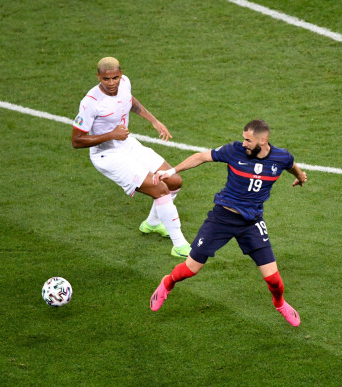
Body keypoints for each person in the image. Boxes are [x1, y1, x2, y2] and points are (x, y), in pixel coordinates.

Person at [149, 119, 307, 326]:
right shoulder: (234, 151)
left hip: (251, 222)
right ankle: (167, 283)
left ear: (264, 140)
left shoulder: (281, 157)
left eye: (248, 140)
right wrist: (171, 172)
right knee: (190, 269)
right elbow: (201, 157)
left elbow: (290, 165)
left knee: (274, 280)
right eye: (243, 139)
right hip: (222, 218)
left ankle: (279, 304)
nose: (244, 144)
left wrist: (300, 176)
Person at [71, 57, 191, 257]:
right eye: (106, 79)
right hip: (107, 155)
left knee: (174, 181)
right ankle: (180, 245)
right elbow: (76, 140)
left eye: (115, 78)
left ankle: (152, 224)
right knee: (160, 189)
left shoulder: (125, 83)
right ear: (98, 77)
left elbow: (131, 101)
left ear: (121, 74)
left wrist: (154, 121)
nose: (111, 83)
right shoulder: (90, 102)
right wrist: (112, 135)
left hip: (127, 144)